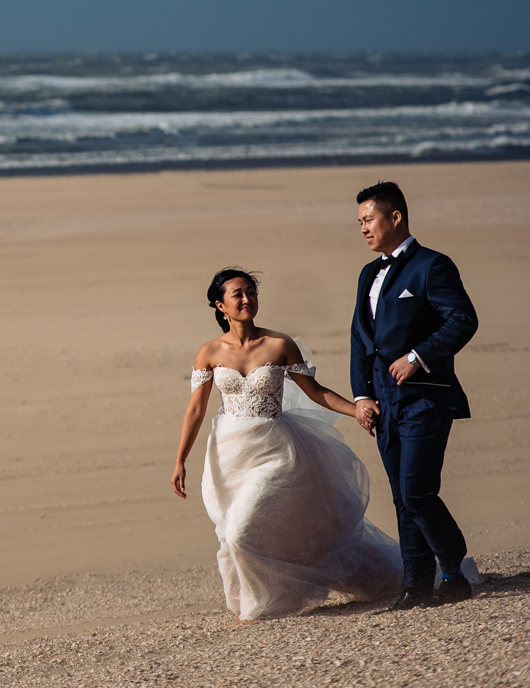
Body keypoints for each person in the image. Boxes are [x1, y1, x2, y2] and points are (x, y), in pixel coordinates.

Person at [172, 269, 401, 622]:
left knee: (239, 532)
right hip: (228, 456)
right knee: (238, 530)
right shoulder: (210, 352)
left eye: (251, 291)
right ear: (221, 306)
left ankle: (265, 604)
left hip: (275, 453)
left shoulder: (279, 345)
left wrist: (356, 408)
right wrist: (180, 459)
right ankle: (261, 597)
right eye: (237, 294)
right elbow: (196, 409)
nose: (247, 299)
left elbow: (316, 391)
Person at [351, 181, 477, 610]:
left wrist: (418, 356)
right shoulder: (368, 273)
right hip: (384, 404)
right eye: (361, 222)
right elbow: (360, 341)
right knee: (401, 497)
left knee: (417, 490)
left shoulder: (432, 265)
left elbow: (462, 320)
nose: (364, 228)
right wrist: (361, 396)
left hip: (426, 397)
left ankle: (454, 570)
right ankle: (415, 586)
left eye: (369, 219)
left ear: (395, 217)